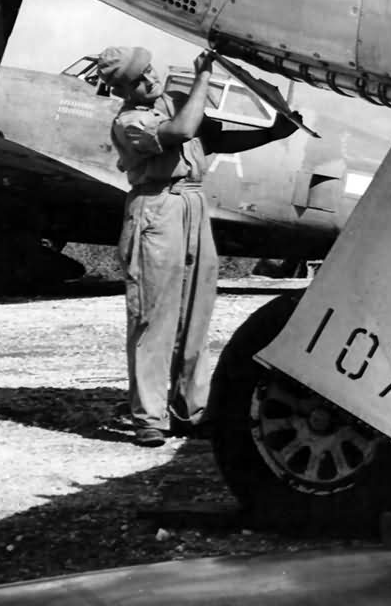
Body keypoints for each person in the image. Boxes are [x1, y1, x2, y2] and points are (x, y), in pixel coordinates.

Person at [97, 45, 299, 447]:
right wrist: (202, 78)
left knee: (195, 315)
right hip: (157, 209)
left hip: (193, 203)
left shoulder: (174, 102)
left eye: (150, 70)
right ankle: (149, 417)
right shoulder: (129, 122)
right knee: (153, 317)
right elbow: (183, 132)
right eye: (139, 79)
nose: (151, 80)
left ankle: (191, 409)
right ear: (122, 90)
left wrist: (272, 132)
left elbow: (215, 139)